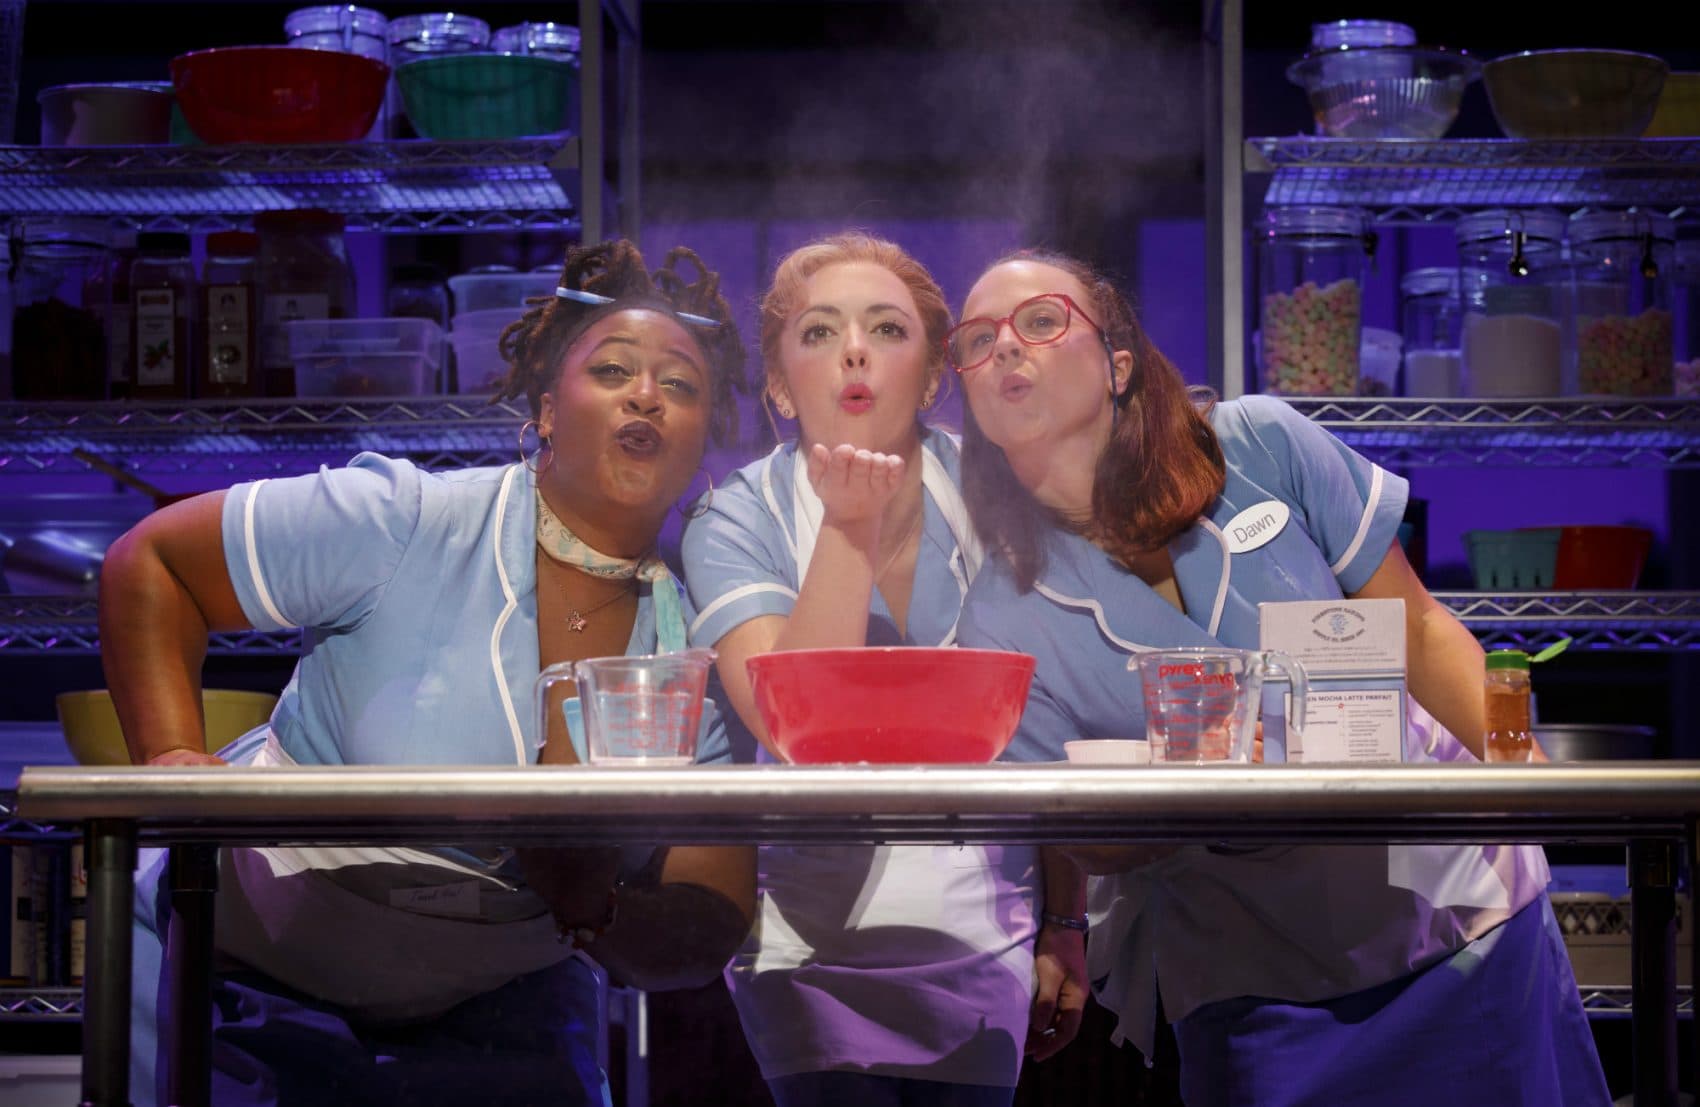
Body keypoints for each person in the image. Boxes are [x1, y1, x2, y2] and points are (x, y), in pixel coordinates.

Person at [98, 239, 757, 1107]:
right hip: (252, 990)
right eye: (612, 370)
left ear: (702, 439)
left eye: (681, 384)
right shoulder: (407, 521)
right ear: (547, 409)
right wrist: (172, 761)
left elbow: (709, 918)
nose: (647, 395)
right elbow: (153, 564)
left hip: (498, 1017)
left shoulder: (692, 653)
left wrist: (595, 908)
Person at [950, 249, 1611, 1106]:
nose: (1005, 346)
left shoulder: (1258, 444)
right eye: (976, 340)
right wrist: (1203, 782)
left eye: (1040, 321)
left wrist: (1526, 772)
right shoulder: (999, 617)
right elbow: (1087, 837)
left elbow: (1420, 628)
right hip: (1259, 977)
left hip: (1461, 917)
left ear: (1118, 364)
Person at [680, 232, 1088, 1107]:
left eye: (887, 329)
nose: (856, 350)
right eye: (820, 332)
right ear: (779, 386)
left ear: (934, 375)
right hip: (810, 944)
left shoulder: (1003, 496)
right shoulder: (735, 517)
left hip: (985, 931)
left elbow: (1056, 718)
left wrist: (1066, 917)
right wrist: (847, 526)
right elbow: (789, 726)